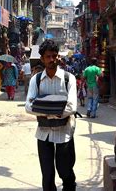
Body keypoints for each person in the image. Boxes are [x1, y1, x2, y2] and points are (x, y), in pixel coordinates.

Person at [25, 39, 77, 191]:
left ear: (58, 57)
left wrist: (43, 108)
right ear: (42, 58)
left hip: (65, 132)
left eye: (54, 56)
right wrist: (55, 110)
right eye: (48, 57)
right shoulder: (36, 80)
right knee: (47, 176)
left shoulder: (69, 79)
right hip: (43, 133)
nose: (51, 60)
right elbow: (28, 106)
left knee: (65, 171)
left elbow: (72, 106)